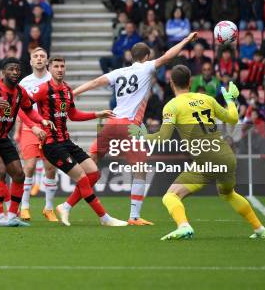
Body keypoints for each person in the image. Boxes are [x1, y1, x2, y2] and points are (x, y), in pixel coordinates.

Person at [73, 32, 198, 225]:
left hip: (110, 122)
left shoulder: (118, 72)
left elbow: (95, 82)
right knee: (140, 169)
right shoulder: (147, 68)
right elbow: (168, 57)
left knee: (92, 161)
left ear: (131, 56)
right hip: (129, 125)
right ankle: (134, 216)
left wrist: (73, 92)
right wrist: (186, 40)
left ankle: (67, 205)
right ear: (147, 56)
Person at [143, 65, 265, 240]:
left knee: (170, 196)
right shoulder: (206, 99)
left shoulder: (172, 106)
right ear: (190, 82)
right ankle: (260, 229)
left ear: (171, 83)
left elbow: (163, 137)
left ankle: (184, 226)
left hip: (206, 160)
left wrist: (142, 137)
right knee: (228, 193)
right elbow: (233, 118)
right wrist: (231, 99)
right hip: (226, 155)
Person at [30, 56, 128, 227]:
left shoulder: (67, 90)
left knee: (94, 173)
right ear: (49, 69)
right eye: (56, 66)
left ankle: (65, 206)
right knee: (82, 179)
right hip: (51, 144)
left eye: (62, 66)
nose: (60, 69)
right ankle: (105, 218)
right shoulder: (42, 89)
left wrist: (96, 114)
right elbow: (23, 108)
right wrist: (35, 126)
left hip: (66, 141)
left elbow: (73, 115)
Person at [0, 57, 54, 227]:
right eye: (11, 69)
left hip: (2, 139)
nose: (15, 72)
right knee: (0, 170)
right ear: (3, 72)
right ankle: (0, 217)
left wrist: (41, 121)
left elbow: (29, 110)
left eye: (17, 70)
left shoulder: (20, 92)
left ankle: (13, 216)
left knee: (19, 175)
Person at [15, 47, 58, 222]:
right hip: (30, 127)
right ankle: (24, 207)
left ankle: (49, 208)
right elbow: (19, 108)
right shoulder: (24, 82)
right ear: (31, 61)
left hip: (50, 127)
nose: (39, 59)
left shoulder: (54, 80)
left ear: (47, 61)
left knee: (50, 168)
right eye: (36, 56)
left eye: (42, 56)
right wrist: (18, 131)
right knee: (29, 166)